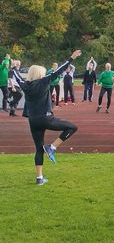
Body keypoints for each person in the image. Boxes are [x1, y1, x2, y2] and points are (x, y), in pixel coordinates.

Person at [12, 50, 81, 185]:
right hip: (46, 118)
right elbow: (60, 70)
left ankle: (39, 178)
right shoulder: (44, 82)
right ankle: (52, 147)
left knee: (38, 149)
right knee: (72, 127)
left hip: (33, 121)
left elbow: (15, 75)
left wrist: (12, 66)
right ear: (40, 74)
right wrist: (71, 58)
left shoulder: (25, 85)